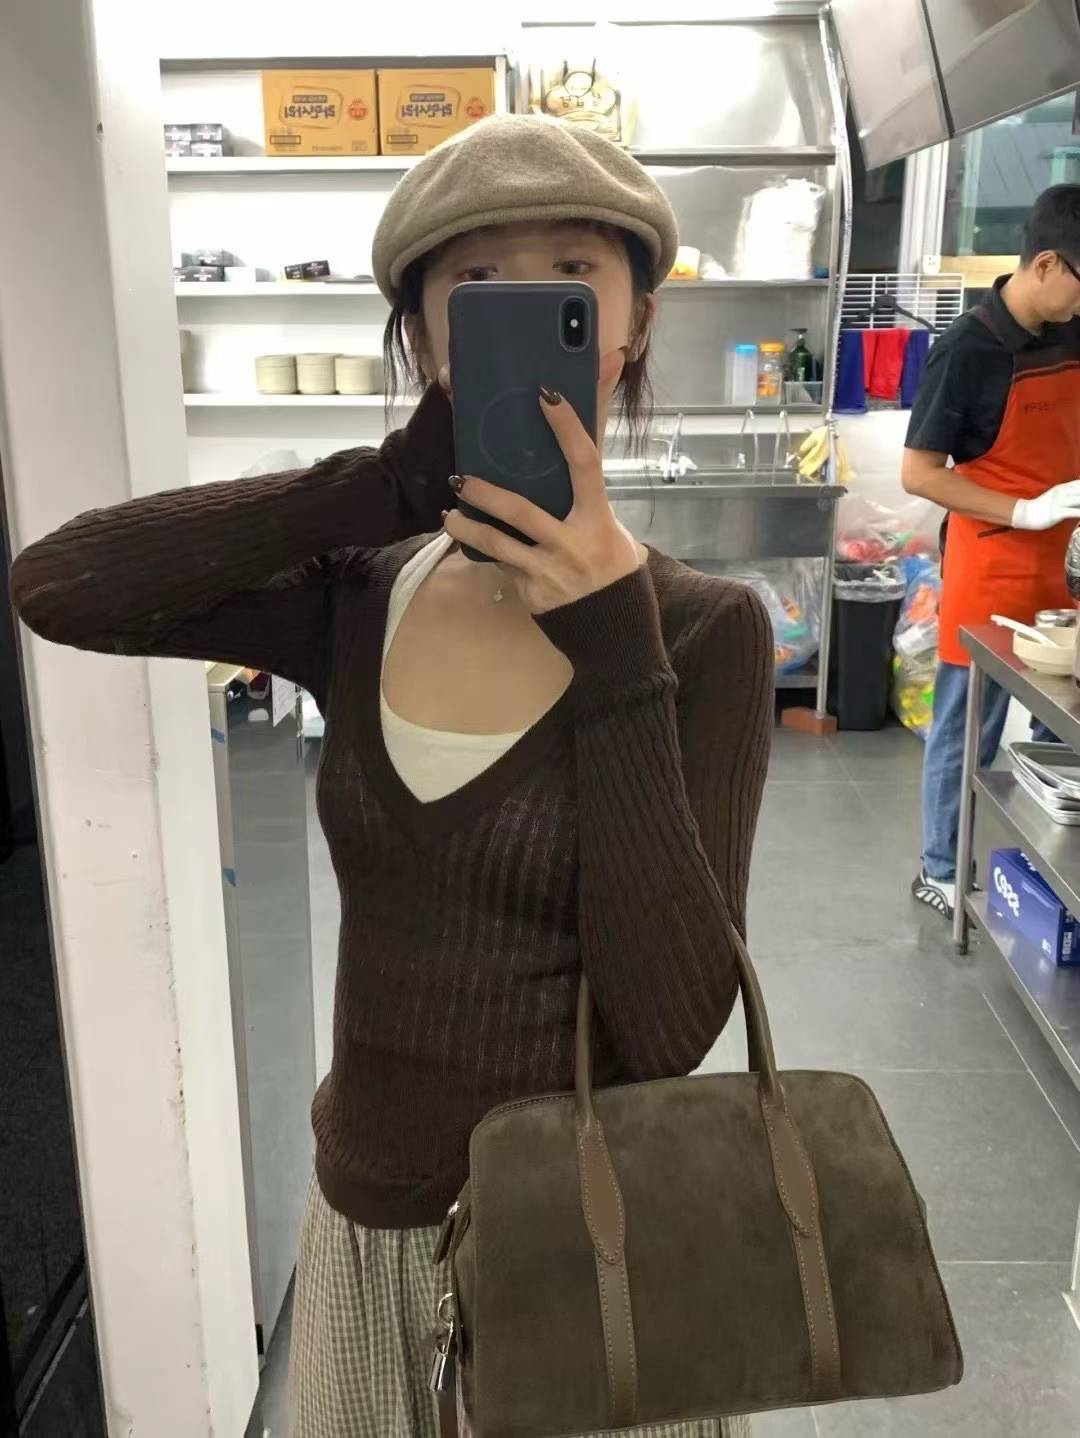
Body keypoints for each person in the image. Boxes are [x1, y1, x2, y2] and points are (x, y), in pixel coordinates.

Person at [9, 115, 772, 1437]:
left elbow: (670, 1026)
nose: (522, 304)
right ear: (422, 336)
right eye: (473, 283)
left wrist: (614, 649)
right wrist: (375, 486)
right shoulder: (356, 595)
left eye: (573, 272)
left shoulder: (705, 631)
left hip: (589, 1239)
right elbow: (61, 586)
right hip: (366, 1226)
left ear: (633, 324)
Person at [903, 183, 1080, 919]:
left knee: (1061, 726)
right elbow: (920, 474)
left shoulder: (1074, 326)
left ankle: (1046, 873)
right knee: (966, 724)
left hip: (1067, 562)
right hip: (994, 559)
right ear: (1047, 264)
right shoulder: (967, 349)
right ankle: (941, 867)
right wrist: (1025, 510)